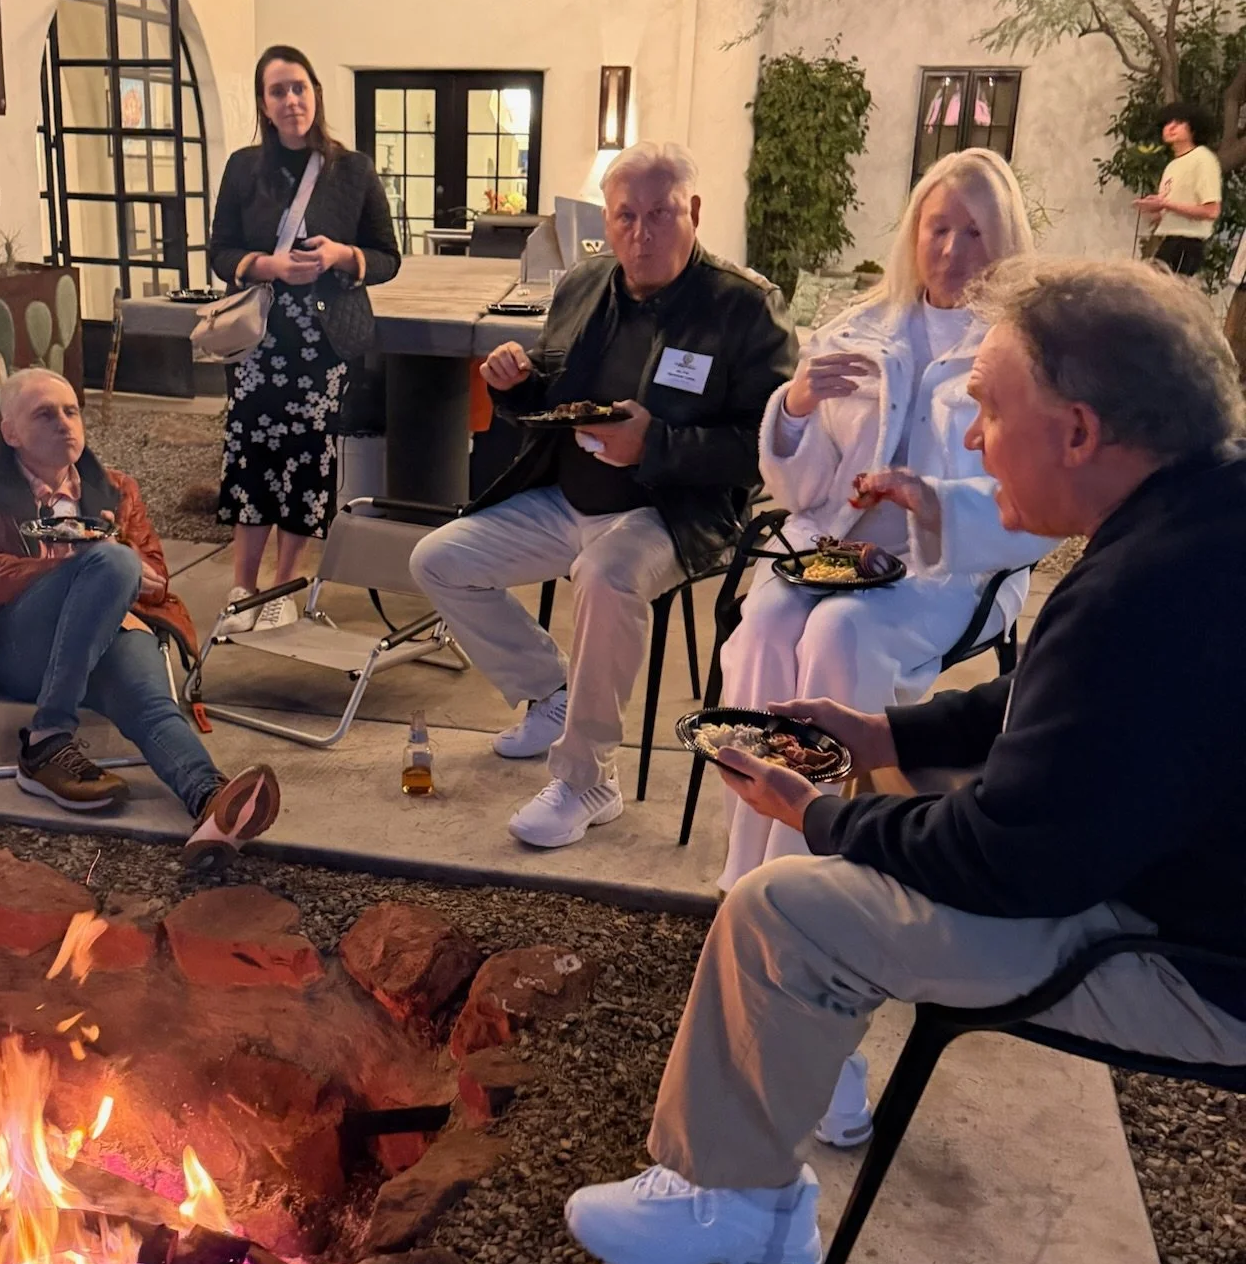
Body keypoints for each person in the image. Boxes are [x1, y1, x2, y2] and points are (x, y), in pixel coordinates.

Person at [565, 257, 1246, 1264]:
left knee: (780, 908)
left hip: (1194, 962)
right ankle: (791, 1096)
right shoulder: (1201, 514)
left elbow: (1006, 859)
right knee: (889, 804)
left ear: (1079, 431)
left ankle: (739, 1202)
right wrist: (889, 736)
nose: (973, 440)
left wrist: (822, 814)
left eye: (989, 408)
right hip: (1183, 882)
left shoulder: (1140, 596)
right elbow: (1050, 711)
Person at [409, 143, 796, 850]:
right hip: (567, 499)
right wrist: (516, 382)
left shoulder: (745, 309)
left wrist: (656, 446)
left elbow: (767, 449)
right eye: (627, 217)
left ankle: (591, 779)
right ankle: (552, 692)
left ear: (695, 213)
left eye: (660, 214)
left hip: (672, 511)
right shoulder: (584, 285)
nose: (642, 234)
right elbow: (556, 393)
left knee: (607, 576)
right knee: (437, 559)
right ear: (607, 222)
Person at [718, 149, 1056, 906]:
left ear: (1006, 239)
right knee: (768, 621)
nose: (952, 251)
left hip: (953, 567)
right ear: (913, 233)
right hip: (834, 552)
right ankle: (745, 863)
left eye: (975, 233)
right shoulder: (860, 329)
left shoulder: (1029, 350)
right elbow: (800, 488)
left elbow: (1035, 505)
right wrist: (797, 407)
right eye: (938, 229)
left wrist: (933, 503)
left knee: (841, 634)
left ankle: (806, 865)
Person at [0, 368, 280, 855]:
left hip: (104, 638)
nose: (65, 423)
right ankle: (50, 733)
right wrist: (81, 568)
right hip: (18, 644)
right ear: (10, 432)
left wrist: (108, 570)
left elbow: (157, 582)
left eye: (72, 411)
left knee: (151, 704)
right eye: (45, 414)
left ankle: (210, 801)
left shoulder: (117, 489)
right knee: (113, 559)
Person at [208, 45, 401, 633]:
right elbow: (220, 252)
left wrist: (343, 256)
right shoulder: (244, 168)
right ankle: (244, 586)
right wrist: (269, 265)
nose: (290, 100)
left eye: (299, 88)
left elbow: (388, 257)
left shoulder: (354, 170)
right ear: (265, 105)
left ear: (315, 93)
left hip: (324, 344)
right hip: (261, 342)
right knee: (250, 459)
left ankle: (285, 589)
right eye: (277, 91)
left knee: (306, 465)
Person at [1136, 108, 1222, 278]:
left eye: (1179, 122)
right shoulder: (1172, 166)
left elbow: (1212, 211)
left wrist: (1166, 204)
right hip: (1168, 240)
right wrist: (1156, 209)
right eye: (1167, 123)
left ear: (1194, 128)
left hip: (1187, 243)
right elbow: (1171, 209)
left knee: (1167, 299)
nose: (1171, 127)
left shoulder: (1203, 159)